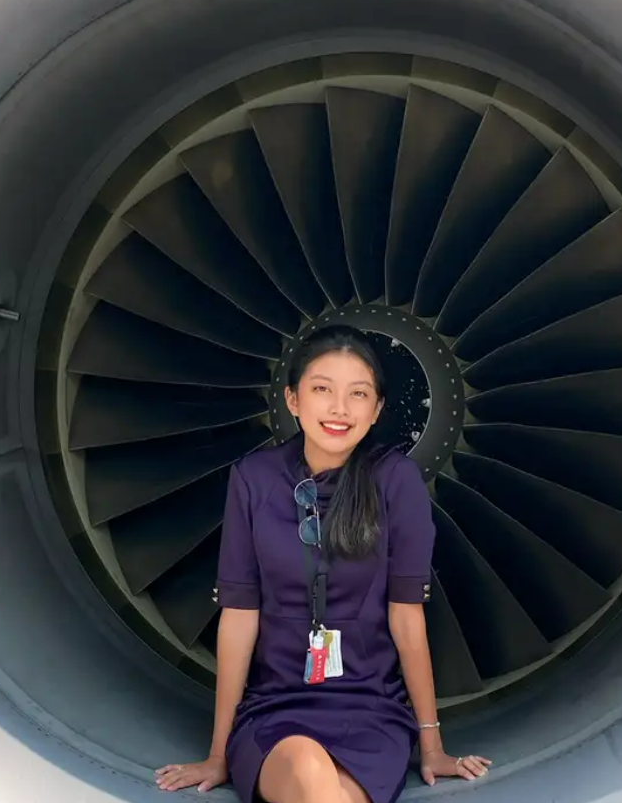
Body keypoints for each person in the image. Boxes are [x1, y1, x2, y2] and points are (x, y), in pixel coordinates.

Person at [155, 324, 491, 802]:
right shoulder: (254, 480)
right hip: (277, 710)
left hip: (371, 711)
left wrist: (432, 745)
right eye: (322, 390)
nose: (339, 409)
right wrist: (218, 753)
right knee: (310, 769)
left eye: (358, 394)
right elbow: (239, 617)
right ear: (293, 399)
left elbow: (406, 616)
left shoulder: (396, 481)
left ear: (376, 410)